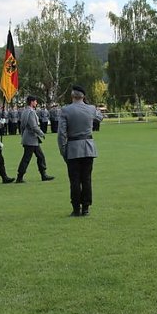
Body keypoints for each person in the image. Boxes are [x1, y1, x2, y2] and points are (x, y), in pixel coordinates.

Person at [58, 85, 103, 216]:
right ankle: (86, 208)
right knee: (87, 179)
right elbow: (100, 117)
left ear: (72, 96)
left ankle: (76, 208)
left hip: (73, 148)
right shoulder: (91, 109)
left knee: (75, 180)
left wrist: (63, 150)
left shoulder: (66, 110)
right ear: (83, 96)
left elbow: (61, 134)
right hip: (88, 147)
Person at [15, 95, 54, 183]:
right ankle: (20, 177)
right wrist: (41, 133)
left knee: (39, 156)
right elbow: (33, 126)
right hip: (31, 138)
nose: (36, 103)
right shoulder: (31, 112)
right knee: (27, 158)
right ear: (32, 102)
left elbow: (22, 125)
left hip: (29, 138)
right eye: (35, 101)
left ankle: (43, 174)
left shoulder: (25, 111)